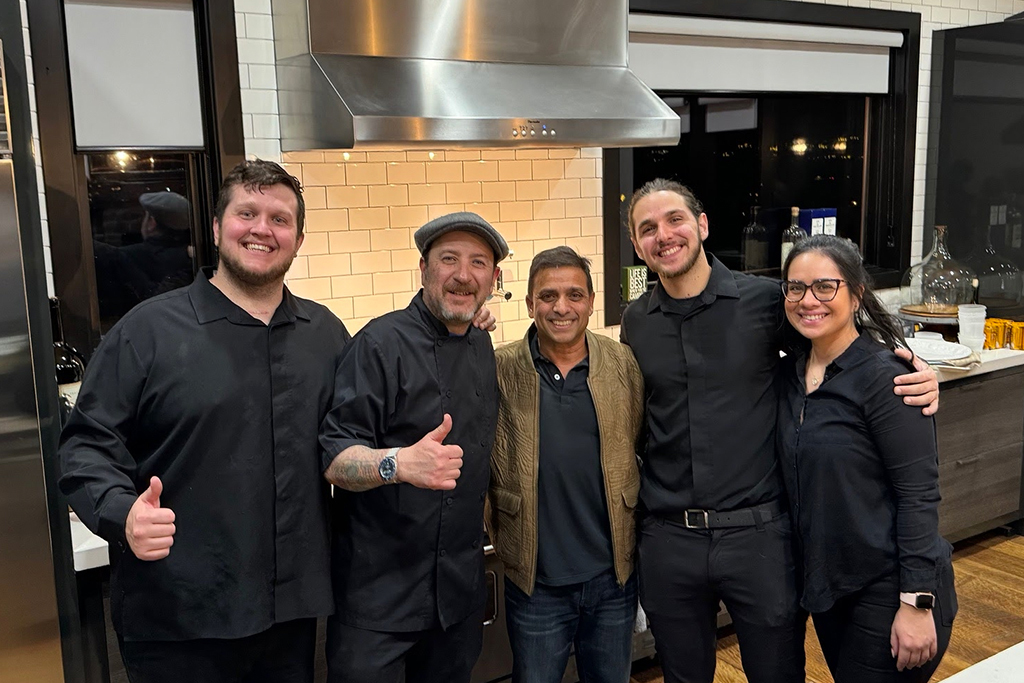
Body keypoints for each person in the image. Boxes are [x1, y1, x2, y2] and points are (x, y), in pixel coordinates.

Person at [620, 178, 940, 683]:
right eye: (648, 228)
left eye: (675, 219)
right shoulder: (636, 321)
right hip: (669, 538)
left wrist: (912, 369)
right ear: (638, 245)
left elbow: (838, 338)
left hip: (759, 537)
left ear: (701, 225)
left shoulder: (768, 301)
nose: (664, 235)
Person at [59, 159, 349, 682]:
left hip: (291, 619)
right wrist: (122, 512)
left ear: (298, 239)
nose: (262, 228)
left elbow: (360, 427)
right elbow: (84, 446)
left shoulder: (324, 334)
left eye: (280, 219)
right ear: (217, 228)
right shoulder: (147, 331)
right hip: (177, 620)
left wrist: (458, 327)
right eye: (247, 213)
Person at [320, 212, 508, 683]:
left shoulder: (482, 345)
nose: (463, 274)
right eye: (449, 259)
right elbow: (335, 458)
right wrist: (397, 463)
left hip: (457, 601)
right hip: (378, 601)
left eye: (478, 263)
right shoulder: (379, 345)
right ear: (423, 268)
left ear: (494, 279)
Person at [777, 235, 956, 682]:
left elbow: (919, 496)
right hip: (832, 585)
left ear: (856, 294)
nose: (808, 300)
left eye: (825, 286)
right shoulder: (788, 374)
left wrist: (916, 603)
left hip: (890, 586)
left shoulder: (889, 380)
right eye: (795, 288)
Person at [489, 246, 644, 683]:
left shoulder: (622, 364)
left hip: (613, 580)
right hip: (536, 584)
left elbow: (640, 445)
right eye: (548, 296)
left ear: (592, 301)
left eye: (575, 295)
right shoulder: (498, 369)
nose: (562, 307)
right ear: (529, 303)